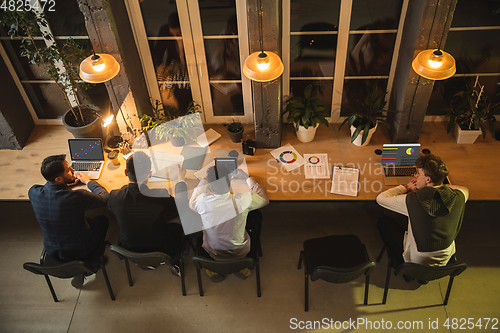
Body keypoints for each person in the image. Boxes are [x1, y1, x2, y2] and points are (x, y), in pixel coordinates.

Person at [376, 154, 469, 274]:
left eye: (418, 174)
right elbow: (465, 189)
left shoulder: (412, 201)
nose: (415, 176)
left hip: (416, 261)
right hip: (445, 259)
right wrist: (440, 187)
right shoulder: (459, 196)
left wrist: (407, 187)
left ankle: (401, 264)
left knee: (384, 222)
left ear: (428, 179)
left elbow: (381, 199)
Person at [28, 154, 109, 288]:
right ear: (58, 178)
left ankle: (77, 269)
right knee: (102, 220)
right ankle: (87, 265)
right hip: (81, 249)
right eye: (68, 170)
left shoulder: (33, 192)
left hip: (52, 249)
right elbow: (105, 198)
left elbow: (52, 194)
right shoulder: (76, 197)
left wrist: (65, 184)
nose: (73, 170)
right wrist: (88, 182)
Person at [107, 151, 184, 274]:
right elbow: (181, 204)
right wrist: (180, 180)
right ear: (150, 174)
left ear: (126, 173)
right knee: (181, 225)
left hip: (129, 248)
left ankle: (145, 263)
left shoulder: (115, 197)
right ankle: (177, 261)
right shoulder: (159, 195)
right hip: (161, 248)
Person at [189, 165, 269, 282]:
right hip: (240, 252)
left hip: (213, 252)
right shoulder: (243, 199)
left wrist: (205, 179)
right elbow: (264, 200)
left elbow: (192, 200)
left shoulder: (202, 201)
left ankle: (213, 268)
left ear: (210, 186)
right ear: (230, 181)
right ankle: (243, 267)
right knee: (256, 216)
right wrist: (247, 177)